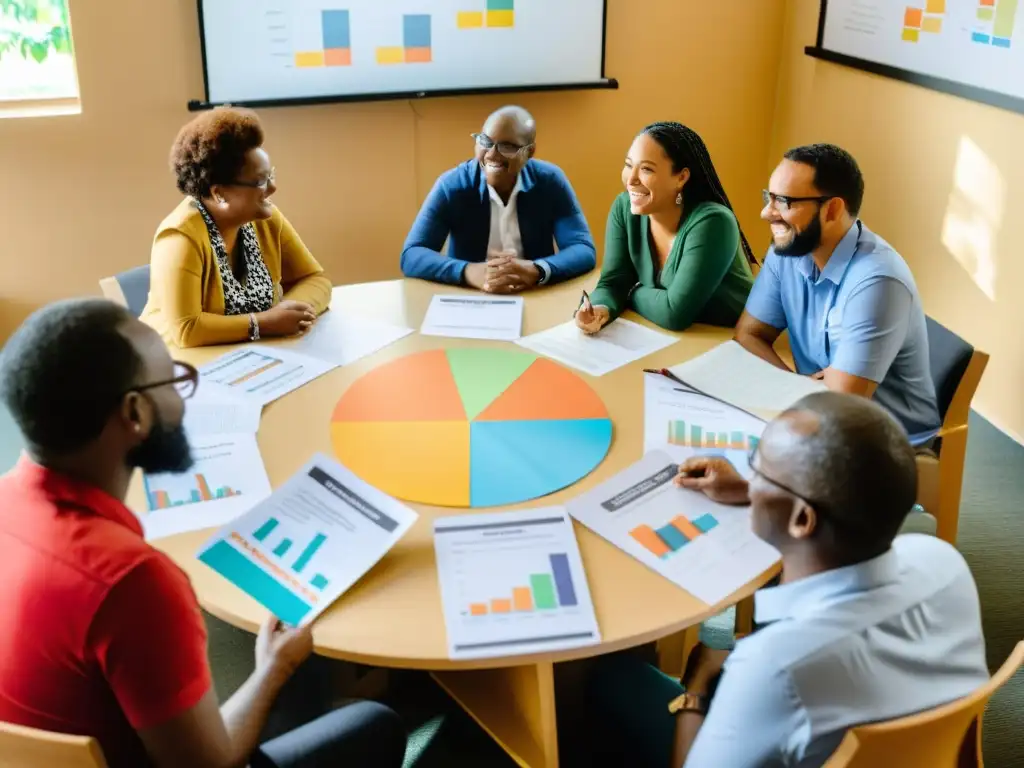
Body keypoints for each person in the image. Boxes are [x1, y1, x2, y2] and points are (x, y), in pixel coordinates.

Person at [0, 299, 406, 768]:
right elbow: (211, 763)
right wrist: (276, 668)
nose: (182, 395)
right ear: (135, 413)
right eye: (175, 378)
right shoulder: (133, 582)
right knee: (372, 723)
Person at [588, 392, 988, 767]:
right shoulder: (944, 562)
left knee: (609, 676)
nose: (749, 475)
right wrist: (759, 493)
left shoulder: (773, 669)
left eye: (758, 468)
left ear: (802, 519)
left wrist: (696, 688)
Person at [735, 143, 940, 445]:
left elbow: (840, 407)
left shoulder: (878, 281)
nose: (766, 212)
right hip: (821, 417)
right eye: (770, 197)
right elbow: (748, 335)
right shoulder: (788, 250)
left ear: (832, 210)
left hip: (882, 443)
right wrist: (798, 386)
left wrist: (812, 390)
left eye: (784, 201)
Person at [141, 107, 332, 349]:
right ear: (219, 194)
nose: (273, 188)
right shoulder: (180, 237)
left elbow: (315, 279)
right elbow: (187, 329)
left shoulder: (266, 219)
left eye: (270, 175)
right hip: (178, 367)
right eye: (261, 181)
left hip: (247, 356)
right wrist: (263, 323)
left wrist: (292, 312)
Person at [575, 122, 756, 334]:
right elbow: (612, 283)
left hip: (727, 340)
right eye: (628, 165)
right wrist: (601, 308)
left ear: (681, 177)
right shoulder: (624, 208)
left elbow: (674, 313)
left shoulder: (714, 223)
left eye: (646, 169)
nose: (631, 180)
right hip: (664, 335)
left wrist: (630, 291)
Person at [400, 105, 596, 291]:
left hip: (534, 293)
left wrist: (538, 270)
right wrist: (468, 271)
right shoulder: (452, 185)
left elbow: (583, 249)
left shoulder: (550, 181)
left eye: (507, 146)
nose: (492, 154)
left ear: (529, 152)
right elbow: (412, 255)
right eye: (485, 142)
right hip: (470, 296)